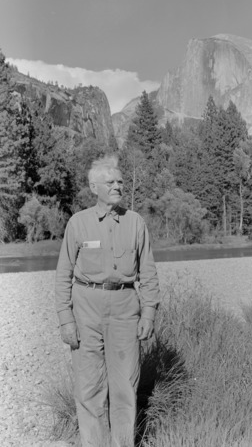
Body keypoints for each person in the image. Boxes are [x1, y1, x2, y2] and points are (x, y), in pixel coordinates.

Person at [55, 155, 160, 447]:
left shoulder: (135, 222)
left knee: (125, 387)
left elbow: (149, 273)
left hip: (126, 309)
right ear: (94, 187)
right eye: (110, 182)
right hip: (85, 310)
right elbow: (63, 274)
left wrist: (148, 314)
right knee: (89, 388)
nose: (118, 186)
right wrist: (66, 320)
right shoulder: (78, 224)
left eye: (120, 182)